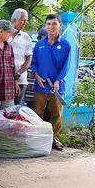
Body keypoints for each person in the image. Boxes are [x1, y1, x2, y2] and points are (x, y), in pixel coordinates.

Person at [32, 14, 71, 151]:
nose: (51, 27)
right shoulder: (39, 45)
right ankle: (37, 139)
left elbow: (66, 66)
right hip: (40, 87)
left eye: (54, 24)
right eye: (48, 24)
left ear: (60, 25)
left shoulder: (65, 45)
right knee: (37, 114)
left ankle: (54, 139)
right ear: (45, 26)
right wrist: (36, 76)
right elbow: (34, 63)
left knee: (56, 115)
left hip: (57, 88)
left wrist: (58, 81)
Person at [9, 9, 33, 105]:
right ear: (15, 19)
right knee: (5, 110)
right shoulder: (5, 35)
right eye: (22, 20)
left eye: (26, 20)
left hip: (21, 79)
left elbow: (29, 59)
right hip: (5, 79)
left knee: (16, 109)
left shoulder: (26, 37)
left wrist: (18, 73)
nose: (24, 23)